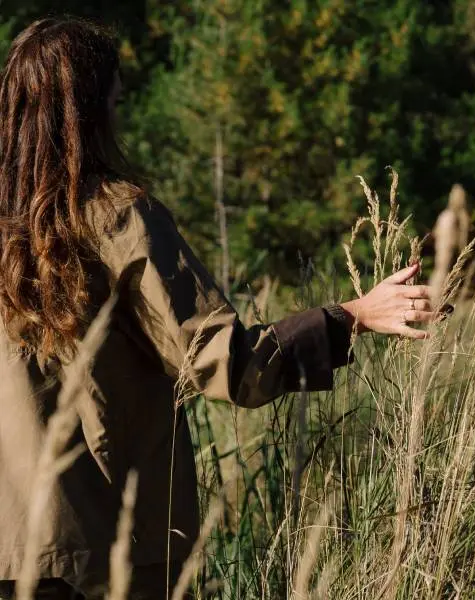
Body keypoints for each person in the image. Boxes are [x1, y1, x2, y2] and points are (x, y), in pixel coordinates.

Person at [0, 19, 438, 599]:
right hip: (104, 559)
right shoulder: (118, 220)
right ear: (91, 114)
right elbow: (224, 361)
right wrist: (352, 315)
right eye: (117, 101)